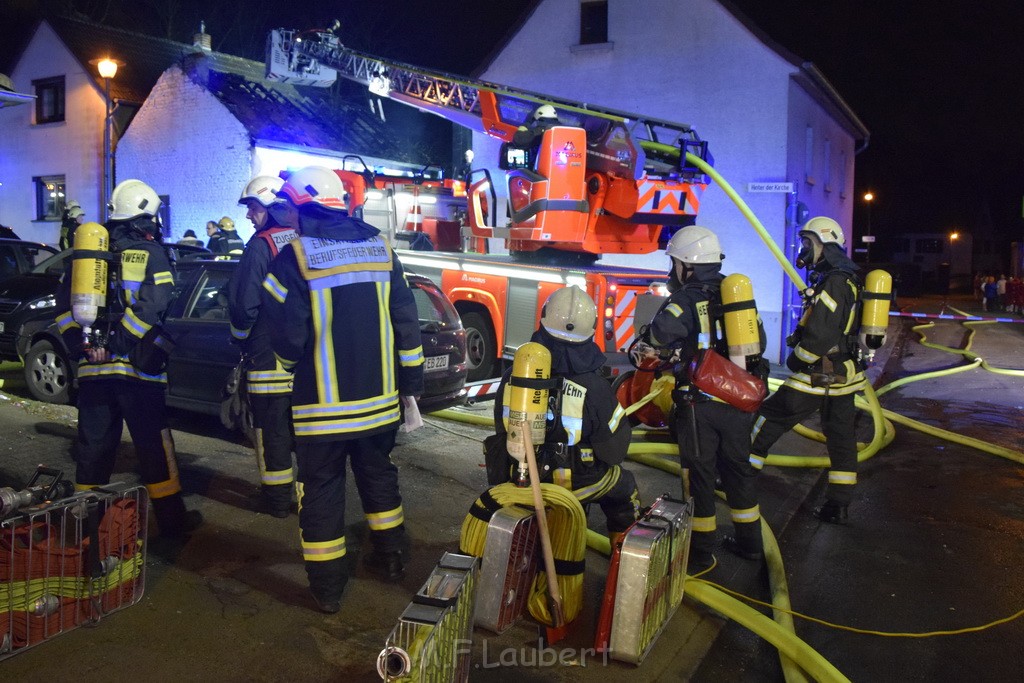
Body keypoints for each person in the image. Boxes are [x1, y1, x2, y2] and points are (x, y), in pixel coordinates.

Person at [261, 166, 424, 614]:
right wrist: (410, 384)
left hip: (322, 411)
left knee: (323, 493)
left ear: (302, 206)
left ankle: (328, 590)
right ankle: (391, 559)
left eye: (289, 208)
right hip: (379, 406)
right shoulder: (380, 247)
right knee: (379, 478)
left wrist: (294, 367)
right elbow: (406, 324)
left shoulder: (293, 257)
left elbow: (287, 338)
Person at [54, 179, 202, 539]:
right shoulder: (150, 254)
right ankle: (172, 524)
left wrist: (82, 346)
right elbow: (156, 303)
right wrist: (119, 343)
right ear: (146, 216)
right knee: (154, 447)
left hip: (93, 371)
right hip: (138, 373)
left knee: (92, 450)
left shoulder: (85, 256)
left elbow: (62, 307)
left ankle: (82, 530)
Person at [639, 226, 766, 571]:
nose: (673, 270)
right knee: (738, 470)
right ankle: (751, 544)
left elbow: (660, 333)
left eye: (676, 262)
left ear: (687, 265)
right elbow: (760, 343)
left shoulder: (686, 298)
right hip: (738, 402)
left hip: (701, 404)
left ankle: (700, 552)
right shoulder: (734, 294)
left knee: (701, 476)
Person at [488, 285, 640, 545]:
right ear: (589, 330)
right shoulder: (595, 387)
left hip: (518, 477)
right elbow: (614, 451)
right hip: (574, 486)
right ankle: (622, 555)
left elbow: (501, 430)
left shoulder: (514, 376)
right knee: (624, 487)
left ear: (544, 320)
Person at [749, 216, 865, 524]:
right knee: (840, 437)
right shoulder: (845, 278)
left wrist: (796, 360)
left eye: (807, 243)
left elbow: (821, 333)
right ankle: (838, 504)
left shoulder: (836, 281)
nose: (803, 249)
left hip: (821, 369)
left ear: (823, 245)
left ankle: (740, 475)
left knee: (770, 416)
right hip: (843, 371)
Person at [227, 175, 298, 518]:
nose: (248, 216)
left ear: (269, 208)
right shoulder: (301, 238)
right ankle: (303, 496)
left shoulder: (260, 246)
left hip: (266, 352)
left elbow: (245, 306)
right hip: (301, 354)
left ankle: (277, 500)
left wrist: (241, 340)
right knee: (299, 431)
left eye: (253, 208)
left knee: (272, 432)